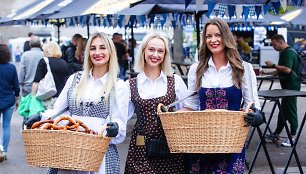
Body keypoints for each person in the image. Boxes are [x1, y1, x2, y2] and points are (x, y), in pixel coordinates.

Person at [24, 32, 129, 174]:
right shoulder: (75, 79)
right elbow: (58, 112)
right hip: (69, 152)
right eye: (93, 48)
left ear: (110, 51)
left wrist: (115, 128)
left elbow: (120, 125)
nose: (97, 52)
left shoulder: (119, 85)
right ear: (87, 52)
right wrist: (41, 117)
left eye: (102, 48)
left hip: (99, 156)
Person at [182, 18, 263, 173]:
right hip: (201, 142)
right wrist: (170, 115)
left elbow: (251, 104)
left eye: (218, 35)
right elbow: (191, 105)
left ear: (226, 37)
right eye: (208, 36)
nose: (213, 40)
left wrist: (257, 116)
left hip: (231, 142)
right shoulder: (196, 69)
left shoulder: (243, 68)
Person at [124, 32, 189, 174]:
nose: (155, 54)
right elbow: (121, 116)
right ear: (143, 51)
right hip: (141, 148)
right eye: (151, 49)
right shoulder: (130, 84)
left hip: (170, 146)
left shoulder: (175, 81)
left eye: (160, 51)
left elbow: (189, 107)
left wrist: (175, 116)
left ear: (165, 55)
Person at [264, 34, 301, 147]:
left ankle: (293, 137)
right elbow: (282, 69)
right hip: (287, 86)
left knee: (291, 110)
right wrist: (268, 73)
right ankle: (276, 133)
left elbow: (287, 69)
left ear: (281, 42)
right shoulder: (286, 52)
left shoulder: (288, 53)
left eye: (274, 44)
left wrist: (273, 65)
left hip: (291, 87)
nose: (273, 47)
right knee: (283, 111)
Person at [31, 41, 71, 109]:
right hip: (61, 98)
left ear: (48, 51)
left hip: (47, 97)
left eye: (44, 51)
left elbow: (36, 81)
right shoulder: (64, 63)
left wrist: (32, 96)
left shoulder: (44, 61)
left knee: (47, 118)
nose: (43, 53)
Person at [0, 44, 20, 162]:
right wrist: (17, 98)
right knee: (6, 126)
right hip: (8, 100)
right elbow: (16, 86)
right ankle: (4, 151)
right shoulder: (11, 67)